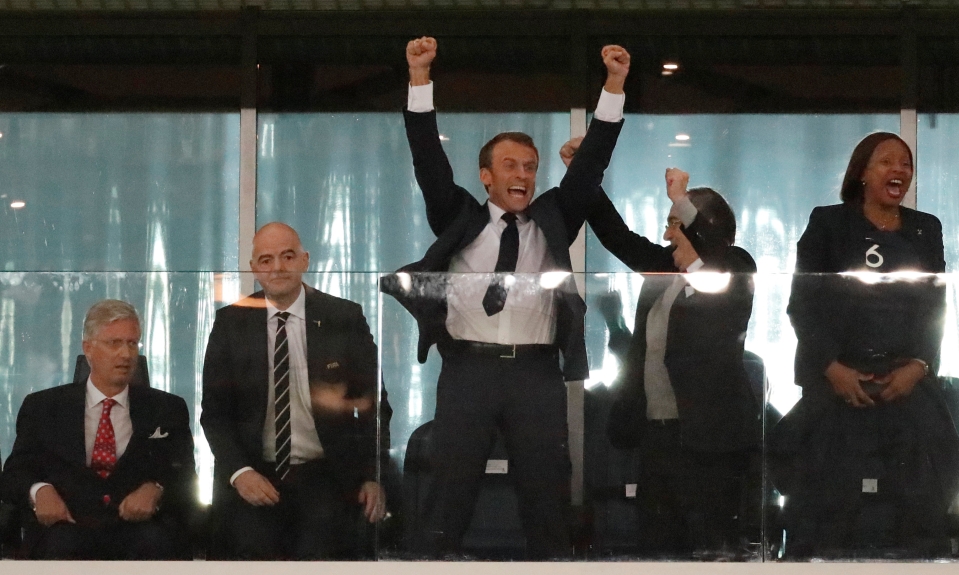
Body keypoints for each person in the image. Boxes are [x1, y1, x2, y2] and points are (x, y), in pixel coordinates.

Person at [380, 36, 627, 559]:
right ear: (486, 176)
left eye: (530, 167)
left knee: (545, 494)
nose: (523, 175)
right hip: (469, 370)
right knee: (450, 491)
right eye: (511, 166)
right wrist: (419, 78)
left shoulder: (553, 217)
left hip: (535, 375)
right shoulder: (460, 214)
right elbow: (428, 160)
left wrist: (613, 87)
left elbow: (591, 166)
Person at [776, 132, 959, 558]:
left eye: (906, 164)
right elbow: (802, 305)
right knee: (822, 505)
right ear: (863, 172)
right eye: (887, 162)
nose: (899, 170)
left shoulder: (925, 229)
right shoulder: (829, 224)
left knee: (928, 493)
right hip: (841, 379)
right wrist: (831, 367)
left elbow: (935, 306)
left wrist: (919, 366)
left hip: (906, 380)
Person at [562, 141, 759, 557]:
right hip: (657, 433)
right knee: (657, 543)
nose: (667, 232)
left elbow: (715, 288)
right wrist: (585, 175)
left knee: (710, 545)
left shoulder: (736, 267)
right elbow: (617, 237)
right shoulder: (664, 269)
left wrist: (683, 204)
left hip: (709, 436)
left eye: (675, 222)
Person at [201, 222, 387, 559]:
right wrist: (240, 474)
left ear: (305, 260)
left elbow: (375, 405)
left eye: (288, 256)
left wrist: (372, 476)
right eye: (267, 260)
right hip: (255, 470)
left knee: (323, 547)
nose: (278, 268)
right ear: (255, 268)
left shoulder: (344, 316)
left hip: (325, 472)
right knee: (250, 545)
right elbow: (214, 414)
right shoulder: (230, 323)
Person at [0, 299, 197, 559]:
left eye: (132, 343)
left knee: (156, 543)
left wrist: (157, 489)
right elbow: (15, 473)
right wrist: (39, 491)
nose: (126, 355)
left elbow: (185, 476)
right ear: (88, 348)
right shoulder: (43, 407)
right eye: (114, 343)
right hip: (67, 527)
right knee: (60, 546)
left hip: (141, 532)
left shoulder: (167, 408)